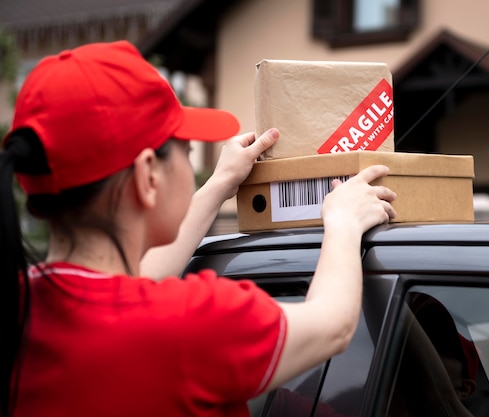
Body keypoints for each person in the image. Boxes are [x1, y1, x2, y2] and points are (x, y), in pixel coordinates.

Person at [0, 40, 397, 417]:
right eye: (186, 150)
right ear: (148, 177)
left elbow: (133, 282)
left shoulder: (24, 306)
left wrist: (221, 184)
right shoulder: (191, 322)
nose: (192, 165)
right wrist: (343, 222)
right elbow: (332, 327)